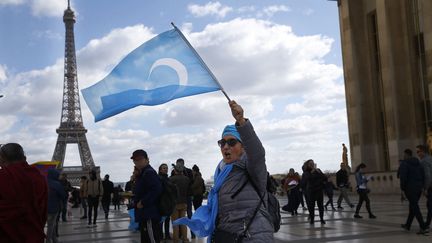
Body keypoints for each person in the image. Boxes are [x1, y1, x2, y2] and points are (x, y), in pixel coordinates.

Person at [174, 100, 274, 242]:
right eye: (222, 142)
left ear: (243, 146)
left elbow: (257, 153)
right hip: (229, 236)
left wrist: (241, 121)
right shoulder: (221, 172)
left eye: (232, 142)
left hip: (253, 236)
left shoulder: (251, 167)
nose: (226, 147)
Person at [0, 143, 48, 242]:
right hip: (35, 234)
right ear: (24, 157)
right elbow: (42, 208)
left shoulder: (3, 177)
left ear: (2, 158)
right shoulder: (39, 177)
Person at [131, 149, 162, 243]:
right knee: (147, 238)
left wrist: (143, 202)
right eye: (135, 160)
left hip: (149, 213)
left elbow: (157, 189)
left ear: (147, 159)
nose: (137, 162)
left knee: (151, 238)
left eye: (140, 159)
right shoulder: (143, 172)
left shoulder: (149, 172)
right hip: (146, 212)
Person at [399, 149, 428, 234]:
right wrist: (422, 186)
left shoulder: (404, 164)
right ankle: (408, 225)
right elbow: (423, 175)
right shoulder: (418, 163)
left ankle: (423, 227)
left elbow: (403, 177)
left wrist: (402, 189)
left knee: (415, 207)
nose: (403, 156)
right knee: (413, 206)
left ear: (407, 155)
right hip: (418, 188)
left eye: (404, 155)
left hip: (410, 189)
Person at [170, 164, 191, 243]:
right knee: (183, 222)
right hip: (184, 202)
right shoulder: (187, 179)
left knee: (175, 223)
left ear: (175, 170)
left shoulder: (171, 179)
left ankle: (176, 240)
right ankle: (185, 239)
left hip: (175, 203)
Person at [46, 168, 67, 243]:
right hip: (54, 208)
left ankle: (55, 240)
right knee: (51, 225)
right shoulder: (57, 184)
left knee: (52, 224)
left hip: (44, 208)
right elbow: (63, 196)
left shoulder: (43, 182)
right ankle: (48, 240)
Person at [303, 160, 327, 224]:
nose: (312, 164)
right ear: (307, 165)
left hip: (319, 190)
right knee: (311, 206)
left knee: (320, 206)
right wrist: (312, 171)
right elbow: (308, 178)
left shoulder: (318, 170)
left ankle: (322, 219)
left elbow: (324, 178)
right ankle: (312, 219)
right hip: (311, 191)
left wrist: (319, 172)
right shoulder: (306, 172)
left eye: (313, 163)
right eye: (310, 163)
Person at [416, 144, 432, 228]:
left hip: (430, 187)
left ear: (423, 151)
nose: (417, 154)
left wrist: (426, 188)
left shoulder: (424, 161)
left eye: (418, 151)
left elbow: (428, 176)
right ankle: (427, 223)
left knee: (430, 205)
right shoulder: (430, 158)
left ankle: (427, 223)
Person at [158, 163, 172, 240]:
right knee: (161, 220)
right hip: (161, 202)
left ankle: (167, 235)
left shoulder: (167, 178)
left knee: (167, 219)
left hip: (167, 202)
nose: (166, 169)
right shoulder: (159, 178)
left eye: (166, 168)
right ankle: (160, 236)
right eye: (164, 168)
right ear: (160, 169)